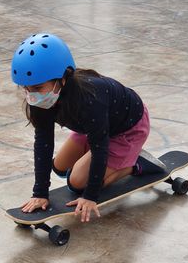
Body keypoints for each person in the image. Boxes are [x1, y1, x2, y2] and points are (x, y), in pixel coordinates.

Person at [11, 33, 165, 223]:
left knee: (76, 183)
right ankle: (121, 161)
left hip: (129, 129)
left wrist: (91, 196)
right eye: (26, 89)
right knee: (59, 167)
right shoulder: (44, 99)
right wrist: (40, 192)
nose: (31, 96)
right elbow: (43, 142)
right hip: (95, 126)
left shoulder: (90, 99)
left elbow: (100, 147)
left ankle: (136, 164)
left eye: (37, 88)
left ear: (63, 78)